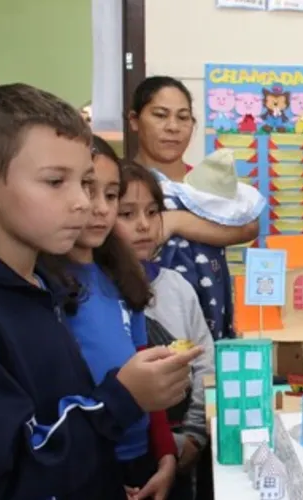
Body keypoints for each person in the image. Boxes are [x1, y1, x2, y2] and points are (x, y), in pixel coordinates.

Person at [0, 83, 202, 499]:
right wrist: (121, 399)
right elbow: (7, 475)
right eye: (55, 182)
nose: (82, 202)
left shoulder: (41, 290)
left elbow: (63, 421)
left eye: (84, 181)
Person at [56, 135, 178, 499]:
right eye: (88, 190)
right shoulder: (48, 286)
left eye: (111, 195)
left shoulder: (123, 278)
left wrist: (166, 454)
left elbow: (146, 376)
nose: (100, 208)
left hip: (141, 455)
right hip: (87, 461)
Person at [128, 76, 262, 340]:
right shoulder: (122, 181)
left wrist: (176, 222)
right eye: (160, 115)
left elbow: (248, 226)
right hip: (149, 312)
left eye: (183, 117)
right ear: (134, 120)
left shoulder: (205, 181)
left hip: (212, 308)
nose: (172, 127)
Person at [113, 162, 216, 500]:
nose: (143, 225)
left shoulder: (177, 287)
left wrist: (194, 435)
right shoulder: (95, 296)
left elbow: (204, 362)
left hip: (182, 445)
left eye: (152, 211)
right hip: (123, 457)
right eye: (126, 214)